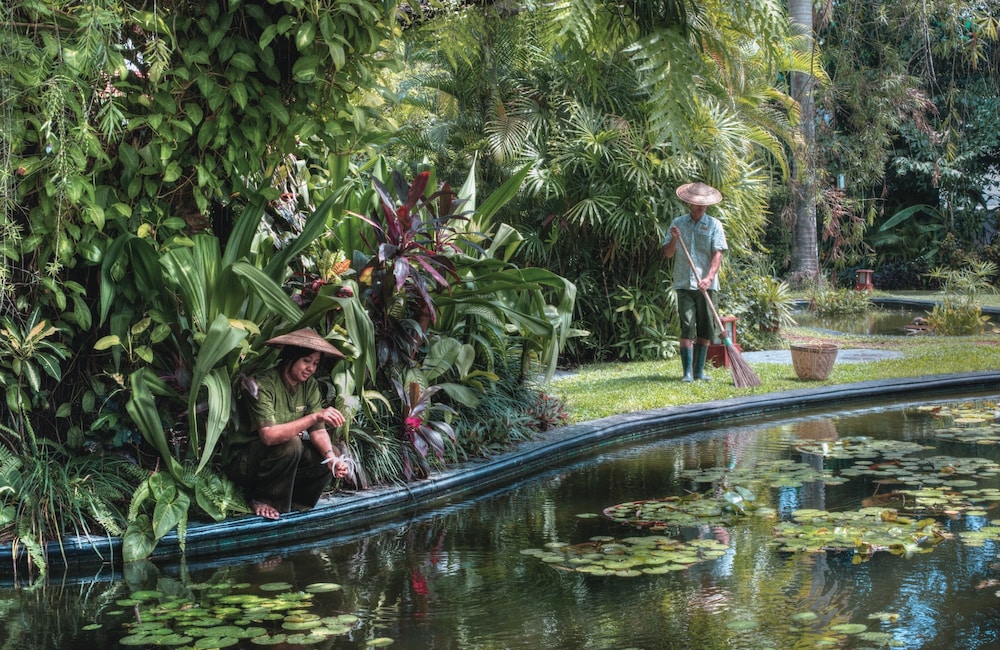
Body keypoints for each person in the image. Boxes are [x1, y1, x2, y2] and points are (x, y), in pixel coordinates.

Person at [225, 327, 352, 520]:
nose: (311, 368)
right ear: (290, 358)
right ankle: (262, 499)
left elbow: (318, 432)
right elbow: (269, 436)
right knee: (291, 444)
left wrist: (332, 459)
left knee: (330, 452)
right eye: (306, 361)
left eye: (315, 363)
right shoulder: (263, 384)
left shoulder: (310, 386)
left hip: (280, 459)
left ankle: (296, 501)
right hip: (245, 460)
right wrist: (314, 417)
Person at [661, 181, 728, 382]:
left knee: (705, 329)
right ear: (689, 203)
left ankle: (698, 372)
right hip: (684, 283)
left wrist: (708, 278)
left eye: (703, 204)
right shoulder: (678, 223)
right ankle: (687, 373)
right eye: (696, 203)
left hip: (707, 285)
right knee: (687, 326)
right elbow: (668, 253)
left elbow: (718, 254)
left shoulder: (714, 225)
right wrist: (674, 238)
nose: (700, 207)